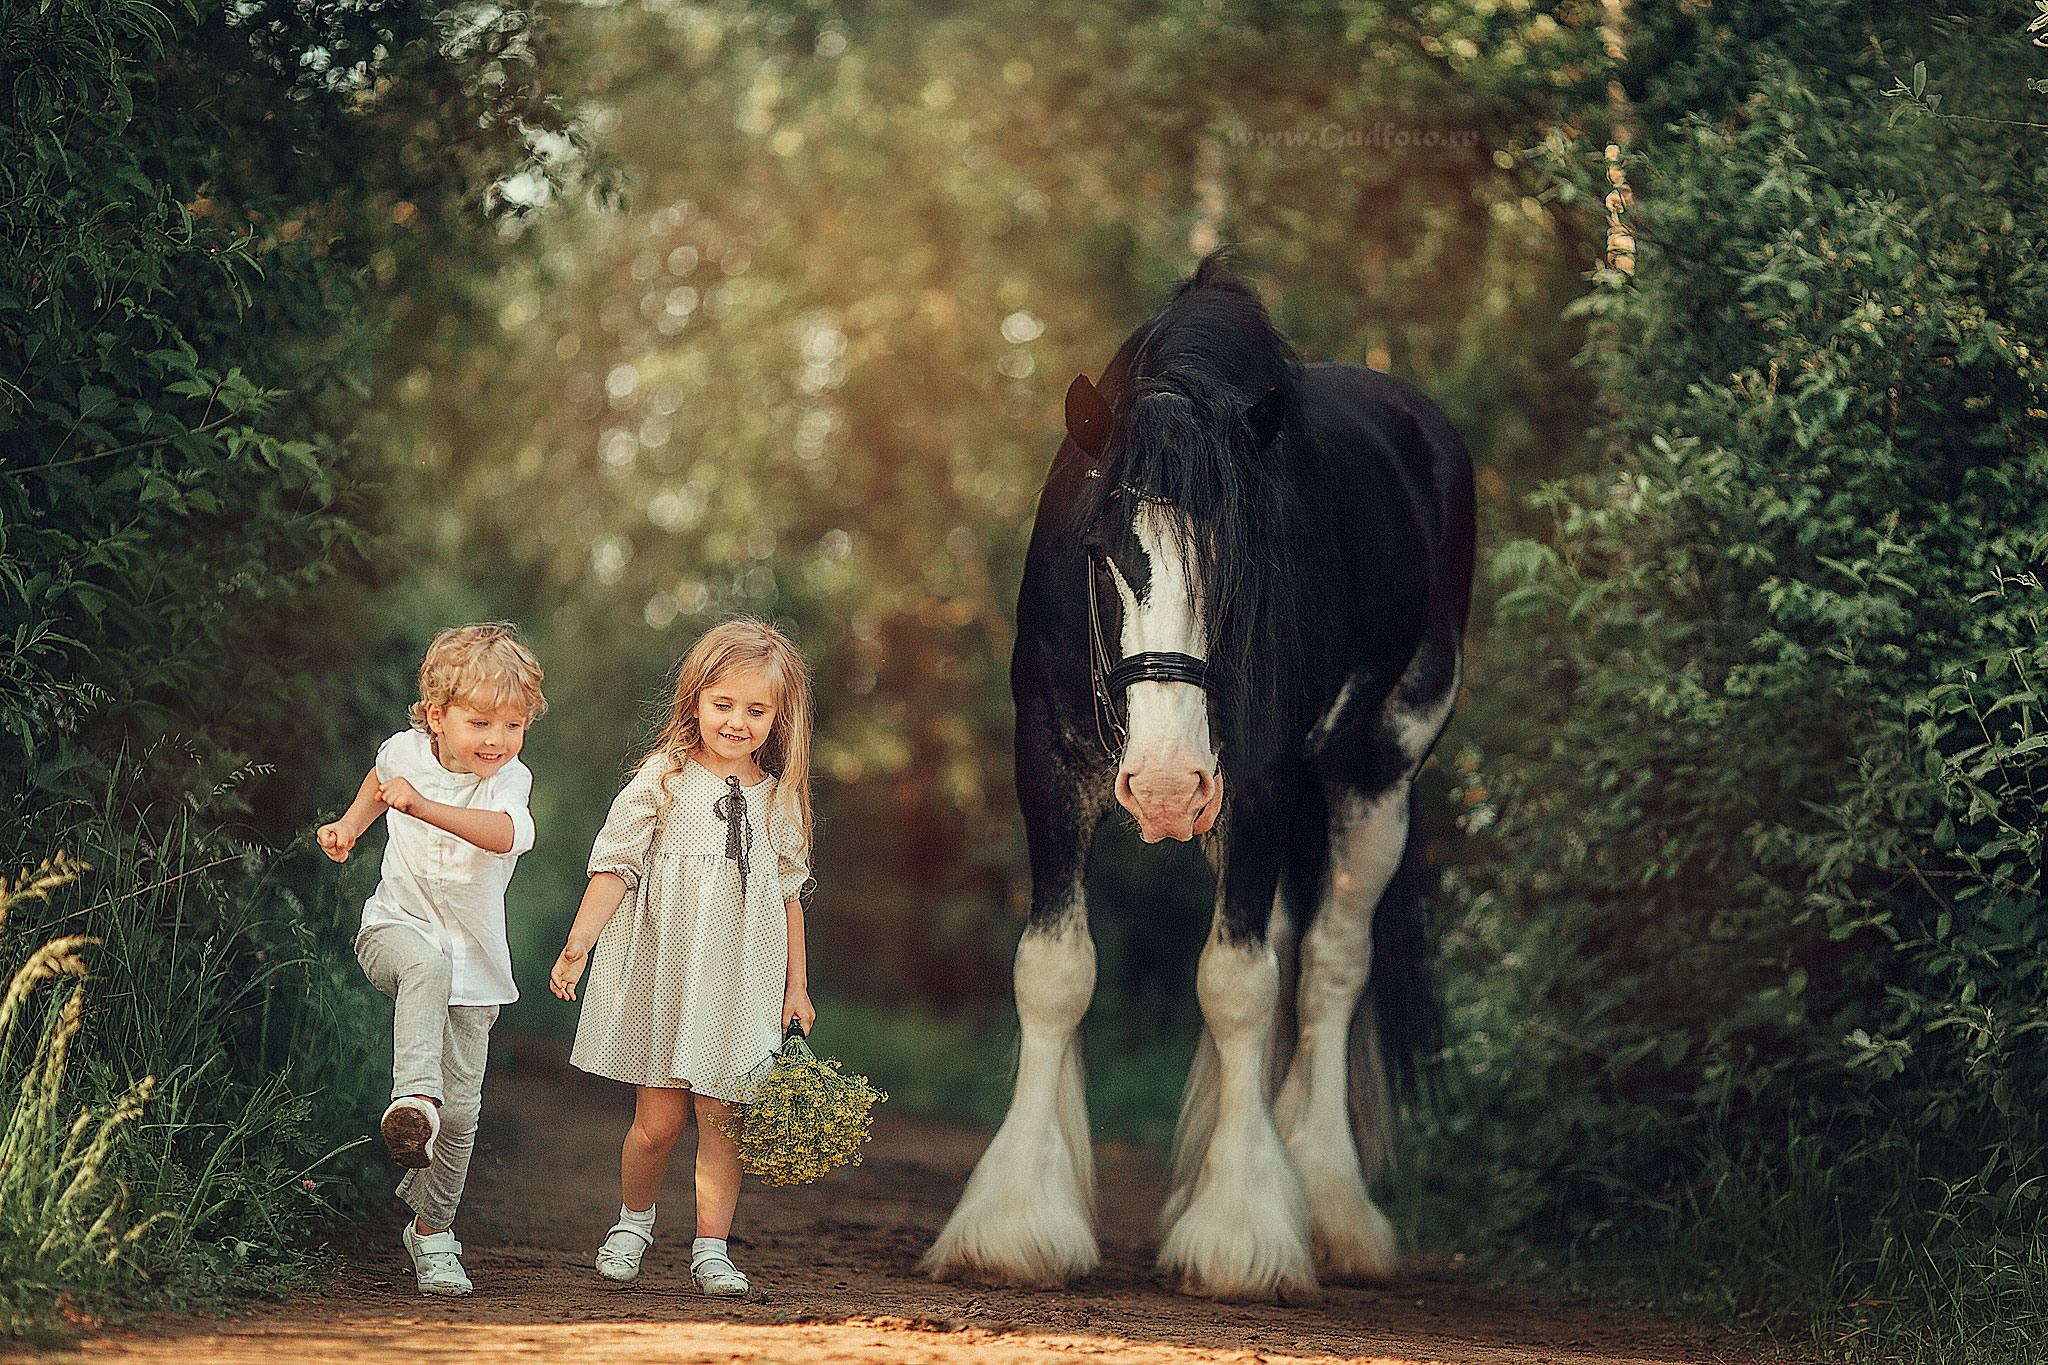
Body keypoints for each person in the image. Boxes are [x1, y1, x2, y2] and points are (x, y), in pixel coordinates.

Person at [549, 617, 816, 1297]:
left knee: (723, 1118)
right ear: (695, 698)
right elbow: (615, 867)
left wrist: (797, 986)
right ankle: (632, 1222)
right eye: (723, 703)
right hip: (670, 972)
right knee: (659, 1122)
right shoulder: (664, 776)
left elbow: (789, 894)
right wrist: (579, 943)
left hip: (741, 979)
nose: (737, 720)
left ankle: (711, 1248)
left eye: (756, 709)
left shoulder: (777, 795)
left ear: (779, 715)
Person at [317, 623, 546, 1297]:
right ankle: (412, 1096)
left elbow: (506, 835)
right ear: (438, 716)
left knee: (465, 1113)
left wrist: (427, 806)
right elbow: (382, 773)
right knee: (425, 966)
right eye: (481, 721)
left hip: (478, 962)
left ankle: (431, 1231)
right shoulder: (404, 753)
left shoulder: (510, 782)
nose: (497, 739)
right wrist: (351, 826)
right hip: (394, 930)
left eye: (514, 724)